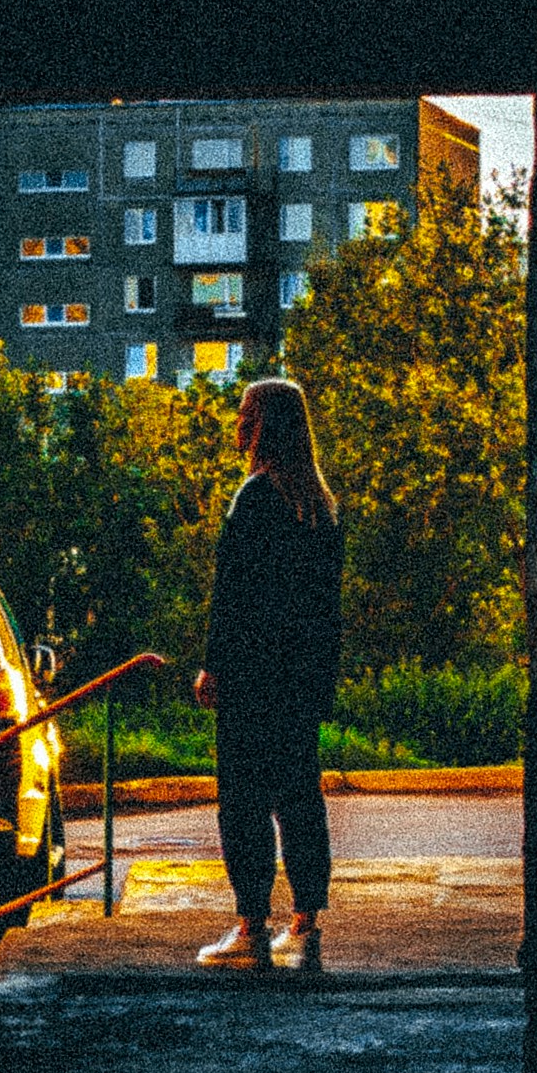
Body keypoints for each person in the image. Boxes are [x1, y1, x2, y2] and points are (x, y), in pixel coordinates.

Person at [192, 374, 345, 969]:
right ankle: (305, 923)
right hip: (299, 680)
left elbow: (233, 596)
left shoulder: (254, 498)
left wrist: (215, 667)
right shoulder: (320, 506)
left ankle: (251, 925)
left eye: (244, 413)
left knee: (244, 801)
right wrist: (318, 680)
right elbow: (325, 609)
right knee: (299, 797)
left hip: (252, 678)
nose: (237, 423)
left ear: (262, 425)